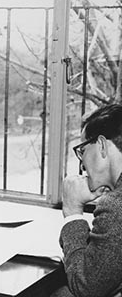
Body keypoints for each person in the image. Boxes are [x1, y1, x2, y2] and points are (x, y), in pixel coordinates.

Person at [54, 103, 122, 297]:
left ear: (101, 145)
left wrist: (73, 211)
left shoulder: (115, 206)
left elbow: (85, 287)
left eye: (82, 150)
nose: (82, 164)